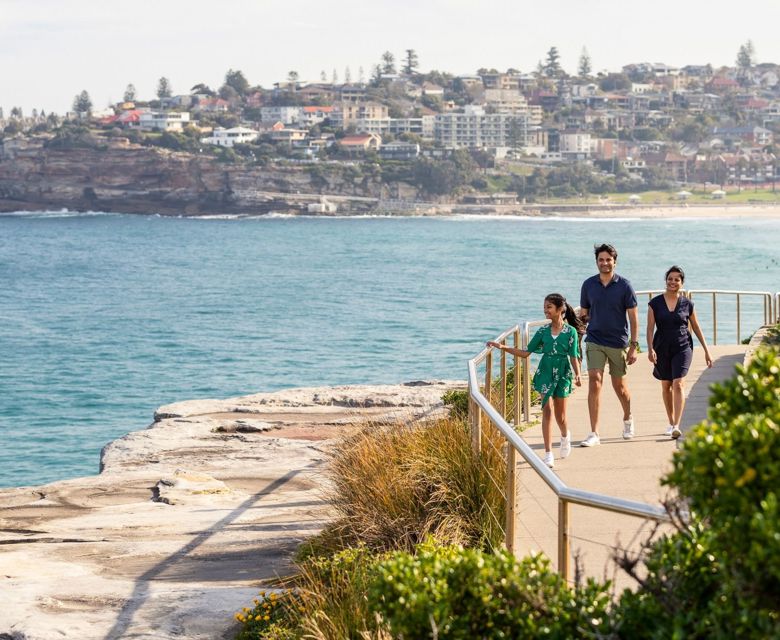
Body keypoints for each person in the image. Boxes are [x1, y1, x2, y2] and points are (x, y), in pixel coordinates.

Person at [488, 293, 584, 468]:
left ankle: (564, 436)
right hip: (545, 372)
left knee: (560, 416)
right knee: (546, 410)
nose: (545, 310)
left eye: (549, 307)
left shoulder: (571, 332)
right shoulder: (542, 332)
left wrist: (578, 374)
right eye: (544, 306)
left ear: (560, 309)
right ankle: (548, 453)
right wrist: (503, 347)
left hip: (563, 373)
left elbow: (573, 356)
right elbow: (526, 352)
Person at [578, 243, 639, 447]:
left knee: (619, 387)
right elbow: (584, 314)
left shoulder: (625, 286)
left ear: (615, 261)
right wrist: (580, 323)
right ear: (596, 262)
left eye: (608, 259)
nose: (604, 263)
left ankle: (628, 418)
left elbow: (633, 318)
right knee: (595, 380)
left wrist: (633, 346)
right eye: (601, 260)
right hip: (594, 339)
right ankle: (594, 432)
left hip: (618, 342)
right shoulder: (588, 285)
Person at [646, 265, 713, 439]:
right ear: (666, 280)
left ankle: (677, 424)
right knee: (666, 385)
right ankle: (670, 422)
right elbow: (650, 328)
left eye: (677, 279)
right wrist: (650, 348)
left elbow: (696, 327)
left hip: (683, 347)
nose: (673, 282)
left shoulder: (687, 304)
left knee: (678, 383)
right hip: (661, 348)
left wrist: (706, 350)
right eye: (670, 278)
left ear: (682, 283)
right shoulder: (655, 303)